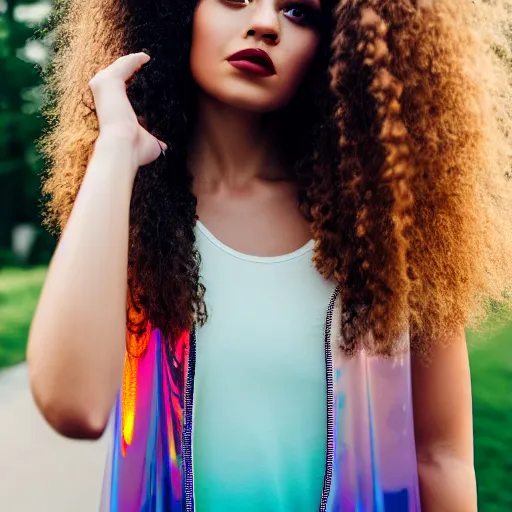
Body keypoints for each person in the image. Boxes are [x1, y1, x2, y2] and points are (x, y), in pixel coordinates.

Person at [26, 0, 512, 510]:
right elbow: (72, 406)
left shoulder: (389, 233)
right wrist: (116, 148)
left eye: (299, 11)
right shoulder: (132, 215)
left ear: (340, 45)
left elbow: (440, 459)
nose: (263, 23)